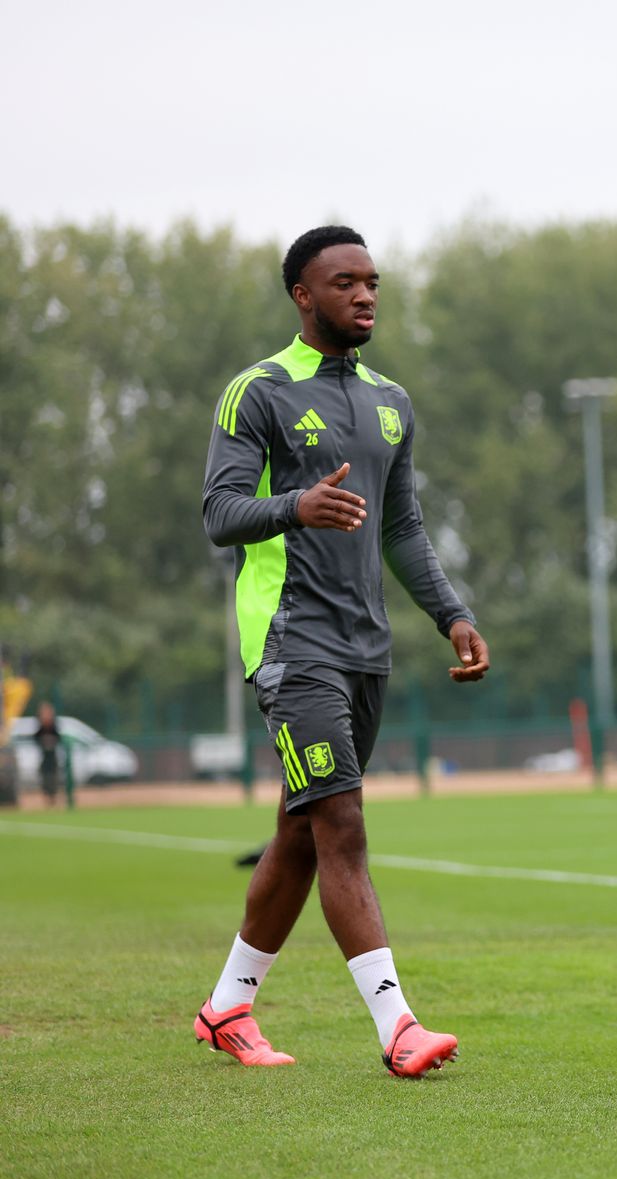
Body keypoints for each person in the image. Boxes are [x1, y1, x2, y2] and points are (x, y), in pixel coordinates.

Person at [194, 225, 491, 1077]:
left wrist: (450, 613)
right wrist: (295, 506)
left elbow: (402, 529)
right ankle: (398, 1028)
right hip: (292, 645)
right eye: (344, 283)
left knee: (301, 830)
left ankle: (227, 1008)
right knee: (343, 824)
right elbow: (219, 514)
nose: (364, 295)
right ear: (302, 294)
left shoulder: (392, 400)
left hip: (367, 646)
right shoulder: (257, 393)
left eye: (372, 282)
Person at [33, 700, 63, 805]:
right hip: (44, 757)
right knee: (45, 778)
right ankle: (47, 799)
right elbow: (35, 738)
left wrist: (51, 741)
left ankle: (53, 798)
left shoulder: (54, 726)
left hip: (52, 757)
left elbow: (59, 738)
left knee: (53, 778)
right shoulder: (40, 727)